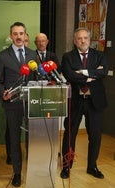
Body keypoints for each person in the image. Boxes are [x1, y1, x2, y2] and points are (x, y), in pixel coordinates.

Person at [60, 27, 108, 179]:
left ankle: (92, 166)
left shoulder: (99, 55)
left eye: (85, 38)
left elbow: (104, 72)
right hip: (75, 100)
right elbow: (69, 75)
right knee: (70, 134)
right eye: (79, 38)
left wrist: (81, 73)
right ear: (75, 41)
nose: (83, 41)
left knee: (95, 135)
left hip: (95, 101)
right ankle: (66, 167)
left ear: (89, 39)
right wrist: (91, 74)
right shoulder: (68, 57)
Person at [0, 21, 36, 187]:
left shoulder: (33, 54)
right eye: (15, 34)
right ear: (11, 36)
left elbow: (36, 78)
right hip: (12, 103)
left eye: (21, 33)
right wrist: (2, 92)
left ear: (25, 35)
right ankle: (17, 173)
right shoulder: (2, 56)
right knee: (14, 138)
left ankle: (33, 168)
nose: (19, 37)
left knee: (32, 138)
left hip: (31, 102)